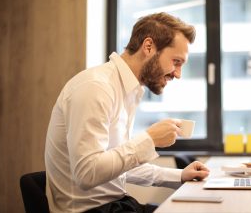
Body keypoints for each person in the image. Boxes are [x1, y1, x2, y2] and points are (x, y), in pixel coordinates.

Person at [45, 12, 210, 213]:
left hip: (115, 206)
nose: (178, 74)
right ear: (148, 47)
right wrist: (149, 140)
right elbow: (87, 173)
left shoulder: (129, 90)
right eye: (176, 61)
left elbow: (117, 166)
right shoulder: (96, 87)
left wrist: (179, 176)